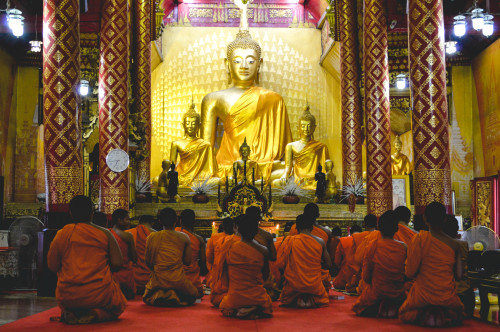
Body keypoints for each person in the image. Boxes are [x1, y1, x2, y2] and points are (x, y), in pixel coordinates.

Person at [200, 2, 292, 182]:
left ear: (260, 64)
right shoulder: (213, 99)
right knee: (213, 179)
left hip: (264, 166)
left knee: (284, 174)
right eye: (237, 61)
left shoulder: (274, 99)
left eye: (250, 61)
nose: (244, 66)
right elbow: (206, 149)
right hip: (227, 167)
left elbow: (285, 156)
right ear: (227, 64)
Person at [47, 195, 126, 324]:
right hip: (99, 294)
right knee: (118, 306)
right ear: (92, 213)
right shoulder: (105, 233)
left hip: (68, 295)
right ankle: (96, 313)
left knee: (69, 299)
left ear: (71, 213)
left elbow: (52, 266)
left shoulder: (62, 234)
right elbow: (117, 263)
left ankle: (70, 311)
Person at [399, 202, 464, 327]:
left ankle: (426, 315)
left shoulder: (419, 239)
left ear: (425, 219)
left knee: (405, 313)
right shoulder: (455, 245)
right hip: (446, 297)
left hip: (423, 296)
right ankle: (443, 315)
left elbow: (410, 272)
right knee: (457, 314)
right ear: (444, 219)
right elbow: (459, 275)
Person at [352, 210, 407, 317]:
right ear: (396, 228)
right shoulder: (404, 247)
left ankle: (380, 306)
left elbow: (366, 276)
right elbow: (408, 273)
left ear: (379, 227)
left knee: (360, 305)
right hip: (398, 292)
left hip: (378, 291)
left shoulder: (373, 245)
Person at [219, 214, 273, 319]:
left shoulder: (229, 246)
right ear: (257, 230)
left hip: (235, 296)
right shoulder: (264, 250)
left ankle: (242, 309)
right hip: (256, 296)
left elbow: (224, 273)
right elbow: (265, 276)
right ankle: (252, 308)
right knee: (267, 305)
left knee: (224, 306)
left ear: (238, 229)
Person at [143, 208, 199, 307]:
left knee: (152, 292)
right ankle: (172, 295)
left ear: (160, 221)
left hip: (158, 280)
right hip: (177, 280)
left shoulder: (152, 237)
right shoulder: (184, 237)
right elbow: (187, 261)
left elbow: (148, 262)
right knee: (193, 294)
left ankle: (162, 294)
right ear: (176, 220)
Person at [278, 214, 331, 308]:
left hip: (294, 286)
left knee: (287, 292)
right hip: (314, 285)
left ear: (296, 227)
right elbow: (328, 264)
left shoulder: (290, 240)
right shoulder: (320, 241)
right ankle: (310, 297)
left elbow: (280, 264)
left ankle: (299, 296)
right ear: (312, 227)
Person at [277, 107, 334, 191]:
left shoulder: (321, 146)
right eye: (303, 126)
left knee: (328, 184)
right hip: (297, 178)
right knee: (276, 183)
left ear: (314, 128)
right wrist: (285, 175)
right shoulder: (290, 146)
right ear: (298, 127)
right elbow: (288, 166)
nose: (306, 129)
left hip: (314, 179)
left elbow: (326, 168)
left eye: (309, 126)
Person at [169, 103, 217, 187]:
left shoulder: (206, 145)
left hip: (199, 178)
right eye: (187, 123)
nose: (190, 126)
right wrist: (168, 175)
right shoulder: (176, 144)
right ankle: (190, 185)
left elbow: (210, 170)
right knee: (157, 180)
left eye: (193, 124)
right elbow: (171, 166)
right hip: (181, 176)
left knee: (218, 181)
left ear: (199, 125)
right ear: (183, 125)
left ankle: (192, 185)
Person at [444, 214, 474, 317]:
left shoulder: (437, 244)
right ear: (457, 228)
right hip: (465, 291)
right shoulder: (463, 244)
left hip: (446, 293)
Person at [210, 216, 243, 306]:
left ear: (235, 227)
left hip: (230, 287)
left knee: (216, 299)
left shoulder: (227, 242)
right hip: (251, 291)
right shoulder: (259, 246)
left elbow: (219, 266)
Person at [247, 206, 278, 300]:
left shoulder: (236, 236)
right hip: (261, 277)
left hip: (242, 279)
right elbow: (273, 257)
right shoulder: (266, 235)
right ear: (259, 219)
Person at [340, 214, 377, 292]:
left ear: (364, 224)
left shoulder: (357, 237)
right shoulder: (380, 236)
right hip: (378, 274)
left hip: (361, 274)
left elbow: (352, 260)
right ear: (377, 224)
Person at [176, 209, 207, 298]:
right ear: (194, 222)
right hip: (192, 280)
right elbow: (203, 261)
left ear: (180, 220)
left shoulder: (173, 235)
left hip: (174, 278)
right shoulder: (199, 239)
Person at [110, 209, 138, 300]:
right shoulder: (128, 236)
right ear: (119, 220)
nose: (129, 222)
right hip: (125, 276)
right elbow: (134, 258)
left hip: (110, 276)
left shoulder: (107, 234)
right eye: (127, 219)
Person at [126, 214, 156, 295]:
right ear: (152, 223)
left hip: (132, 279)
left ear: (138, 223)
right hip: (151, 279)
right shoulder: (157, 235)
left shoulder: (128, 234)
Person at [206, 218, 234, 290]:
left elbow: (209, 259)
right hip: (234, 277)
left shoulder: (214, 237)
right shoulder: (238, 239)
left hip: (217, 276)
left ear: (222, 226)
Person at [332, 225, 361, 289]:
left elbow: (337, 261)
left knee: (337, 284)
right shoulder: (366, 240)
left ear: (350, 232)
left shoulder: (344, 240)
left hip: (346, 275)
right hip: (361, 276)